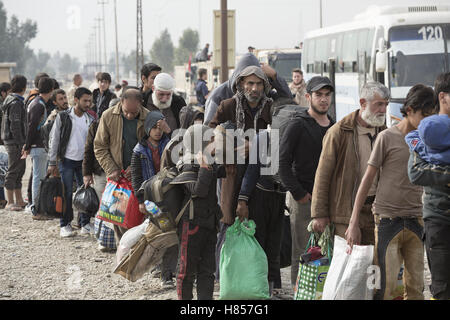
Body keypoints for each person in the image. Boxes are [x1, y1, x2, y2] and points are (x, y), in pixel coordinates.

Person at [346, 84, 435, 300]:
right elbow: (367, 180)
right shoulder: (386, 137)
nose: (427, 122)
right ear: (411, 110)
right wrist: (353, 221)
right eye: (424, 115)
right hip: (387, 221)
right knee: (383, 287)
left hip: (416, 219)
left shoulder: (427, 140)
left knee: (416, 288)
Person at [311, 82, 390, 242]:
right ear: (363, 103)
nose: (383, 110)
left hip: (377, 212)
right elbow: (323, 174)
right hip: (345, 213)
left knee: (375, 265)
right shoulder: (339, 132)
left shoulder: (384, 132)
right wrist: (319, 214)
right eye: (379, 104)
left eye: (386, 104)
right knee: (349, 263)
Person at [279, 76, 335, 286]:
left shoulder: (334, 127)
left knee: (327, 252)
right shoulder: (297, 125)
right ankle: (300, 292)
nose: (323, 100)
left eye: (327, 95)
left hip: (330, 201)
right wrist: (299, 193)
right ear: (308, 97)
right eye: (319, 95)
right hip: (305, 200)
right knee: (303, 252)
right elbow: (282, 162)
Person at [407, 72, 450, 300]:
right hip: (440, 219)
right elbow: (416, 172)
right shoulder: (427, 132)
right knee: (442, 288)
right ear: (443, 97)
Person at [171, 124, 223, 300]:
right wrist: (204, 167)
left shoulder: (210, 160)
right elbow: (199, 191)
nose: (215, 143)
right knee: (186, 270)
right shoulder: (187, 164)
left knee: (207, 271)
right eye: (211, 140)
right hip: (191, 224)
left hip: (209, 223)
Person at [94, 88, 149, 244]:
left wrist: (137, 166)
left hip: (140, 177)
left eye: (134, 113)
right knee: (118, 216)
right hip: (118, 176)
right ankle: (123, 251)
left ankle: (137, 252)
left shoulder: (148, 117)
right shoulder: (108, 116)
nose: (129, 116)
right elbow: (99, 146)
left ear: (141, 105)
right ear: (121, 102)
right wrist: (111, 169)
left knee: (140, 215)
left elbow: (153, 146)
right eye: (126, 112)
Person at [236, 127, 287, 297]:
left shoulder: (289, 133)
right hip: (260, 196)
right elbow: (252, 170)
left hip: (279, 197)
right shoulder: (263, 137)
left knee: (275, 243)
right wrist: (243, 200)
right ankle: (258, 286)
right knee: (259, 243)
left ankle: (272, 286)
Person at [47, 87, 96, 238]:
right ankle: (65, 224)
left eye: (90, 101)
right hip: (66, 161)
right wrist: (52, 162)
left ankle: (85, 224)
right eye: (85, 101)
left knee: (86, 194)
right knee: (66, 193)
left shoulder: (91, 119)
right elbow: (54, 140)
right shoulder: (63, 117)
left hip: (83, 163)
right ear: (76, 100)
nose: (88, 104)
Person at [204, 53, 292, 125]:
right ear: (241, 81)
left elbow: (287, 101)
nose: (254, 88)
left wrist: (275, 77)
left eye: (258, 82)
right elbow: (207, 132)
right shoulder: (219, 96)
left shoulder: (262, 95)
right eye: (250, 82)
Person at [24, 77, 54, 220]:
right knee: (38, 178)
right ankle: (36, 209)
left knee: (39, 177)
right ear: (52, 90)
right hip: (38, 145)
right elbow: (32, 127)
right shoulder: (39, 105)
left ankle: (37, 207)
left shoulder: (36, 102)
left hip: (37, 145)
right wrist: (27, 145)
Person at [1, 75, 27, 211]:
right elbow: (15, 125)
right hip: (14, 142)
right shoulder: (15, 103)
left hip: (14, 141)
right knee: (13, 171)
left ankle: (20, 200)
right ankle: (10, 201)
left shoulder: (12, 100)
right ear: (24, 87)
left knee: (20, 170)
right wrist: (22, 143)